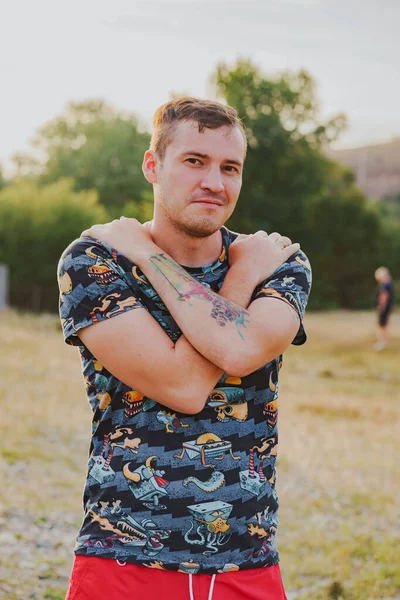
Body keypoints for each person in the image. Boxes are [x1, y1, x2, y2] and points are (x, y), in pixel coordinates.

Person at [57, 97, 312, 600]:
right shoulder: (95, 262)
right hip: (124, 560)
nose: (214, 183)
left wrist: (155, 256)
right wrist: (234, 275)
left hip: (247, 562)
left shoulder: (277, 262)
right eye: (194, 161)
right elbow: (185, 386)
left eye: (229, 167)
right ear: (153, 165)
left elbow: (240, 353)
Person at [374, 266, 394, 351]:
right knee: (384, 325)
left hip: (384, 308)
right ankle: (385, 341)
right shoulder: (389, 283)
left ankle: (382, 342)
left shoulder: (385, 285)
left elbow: (384, 296)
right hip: (388, 307)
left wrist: (381, 306)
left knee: (381, 325)